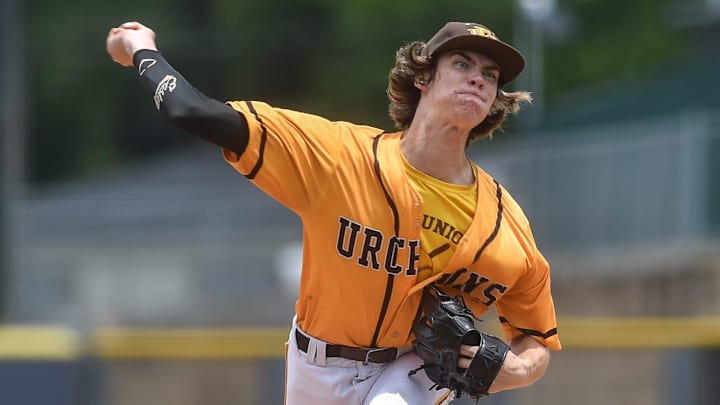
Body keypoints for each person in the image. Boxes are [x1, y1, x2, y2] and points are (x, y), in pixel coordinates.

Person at [106, 20, 561, 404]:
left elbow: (537, 338)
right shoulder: (336, 157)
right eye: (462, 63)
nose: (478, 78)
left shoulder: (505, 224)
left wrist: (519, 371)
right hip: (314, 363)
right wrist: (141, 48)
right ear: (423, 77)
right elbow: (189, 111)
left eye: (491, 73)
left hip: (414, 370)